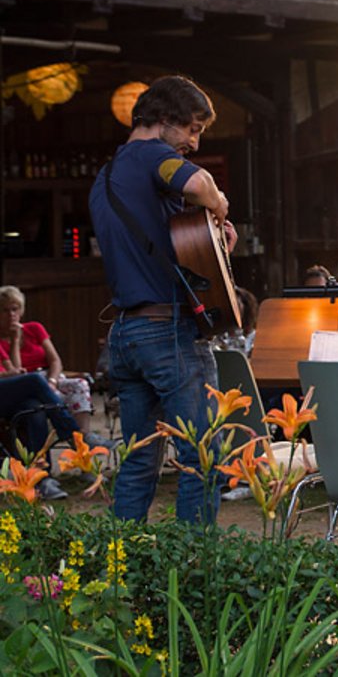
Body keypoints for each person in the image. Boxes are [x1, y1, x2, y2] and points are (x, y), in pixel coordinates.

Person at [88, 74, 235, 524]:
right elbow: (198, 184)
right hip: (167, 332)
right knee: (201, 457)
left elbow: (163, 242)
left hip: (126, 333)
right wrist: (219, 208)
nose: (192, 141)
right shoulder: (155, 155)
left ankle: (120, 568)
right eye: (191, 128)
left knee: (137, 462)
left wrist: (209, 245)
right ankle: (194, 576)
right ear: (164, 119)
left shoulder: (106, 176)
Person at [0, 285, 104, 438]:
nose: (11, 315)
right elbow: (17, 372)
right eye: (5, 310)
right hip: (27, 384)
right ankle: (73, 435)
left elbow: (55, 360)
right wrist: (15, 340)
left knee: (80, 383)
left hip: (48, 378)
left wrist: (52, 381)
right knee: (35, 394)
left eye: (15, 309)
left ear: (21, 310)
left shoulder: (34, 328)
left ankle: (84, 436)